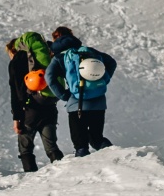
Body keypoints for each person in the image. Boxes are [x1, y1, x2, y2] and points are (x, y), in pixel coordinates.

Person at [44, 27, 117, 156]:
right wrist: (104, 80)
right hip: (99, 102)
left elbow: (49, 78)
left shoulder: (59, 57)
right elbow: (111, 62)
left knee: (81, 145)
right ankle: (117, 159)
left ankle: (83, 173)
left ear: (55, 39)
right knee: (98, 139)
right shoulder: (90, 51)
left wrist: (64, 95)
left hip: (76, 105)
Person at [8, 34, 62, 172]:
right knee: (52, 147)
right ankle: (64, 174)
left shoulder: (16, 62)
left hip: (29, 111)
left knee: (25, 149)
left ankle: (31, 179)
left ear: (13, 50)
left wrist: (17, 118)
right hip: (49, 107)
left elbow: (16, 93)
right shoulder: (44, 56)